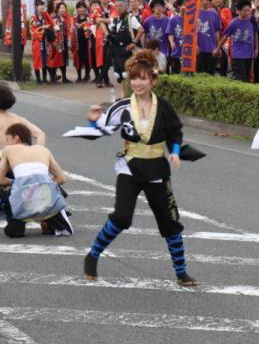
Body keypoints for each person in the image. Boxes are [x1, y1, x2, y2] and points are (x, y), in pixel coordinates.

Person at [82, 49, 197, 286]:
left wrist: (174, 153)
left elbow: (175, 133)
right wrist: (92, 120)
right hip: (130, 167)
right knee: (122, 217)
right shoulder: (122, 107)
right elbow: (97, 133)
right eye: (134, 78)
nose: (137, 83)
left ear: (153, 81)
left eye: (143, 78)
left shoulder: (163, 107)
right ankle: (93, 254)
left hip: (157, 167)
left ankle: (181, 272)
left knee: (170, 222)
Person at [0, 122, 71, 238]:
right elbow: (61, 179)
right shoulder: (44, 150)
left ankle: (17, 224)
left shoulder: (9, 150)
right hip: (47, 197)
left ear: (16, 138)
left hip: (22, 198)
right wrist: (42, 184)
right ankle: (49, 219)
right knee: (54, 188)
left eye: (7, 139)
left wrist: (15, 183)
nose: (7, 143)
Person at [221, 0, 256, 82]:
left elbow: (255, 34)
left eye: (249, 10)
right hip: (238, 54)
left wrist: (256, 48)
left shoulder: (252, 20)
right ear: (238, 11)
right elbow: (226, 35)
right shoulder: (234, 22)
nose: (247, 13)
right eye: (245, 11)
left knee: (247, 77)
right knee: (240, 77)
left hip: (249, 54)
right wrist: (218, 47)